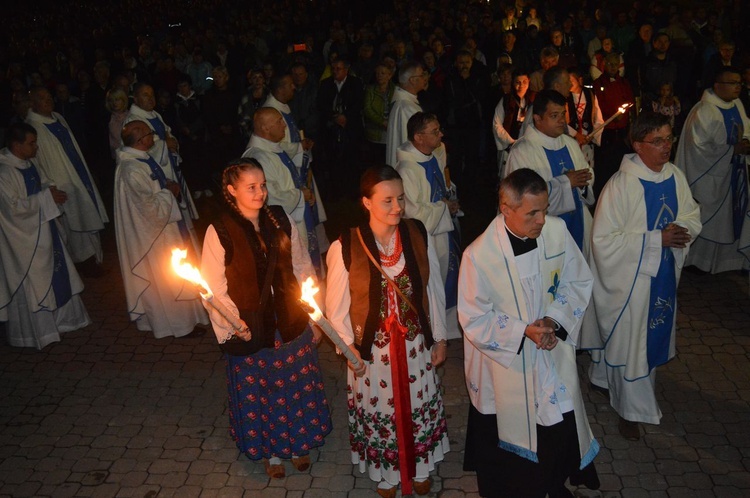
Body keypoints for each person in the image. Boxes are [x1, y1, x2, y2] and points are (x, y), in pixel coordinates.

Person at [459, 168, 599, 498]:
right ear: (506, 209)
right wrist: (524, 332)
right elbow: (474, 318)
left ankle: (551, 483)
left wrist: (553, 321)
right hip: (507, 360)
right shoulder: (479, 256)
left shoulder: (557, 231)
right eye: (532, 213)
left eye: (545, 210)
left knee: (555, 419)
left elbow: (577, 280)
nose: (541, 220)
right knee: (512, 427)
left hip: (550, 348)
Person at [201, 158, 332, 479]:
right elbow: (213, 288)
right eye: (251, 187)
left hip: (290, 321)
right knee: (264, 392)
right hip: (252, 328)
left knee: (295, 388)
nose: (260, 193)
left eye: (263, 186)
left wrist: (314, 317)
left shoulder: (281, 219)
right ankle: (270, 452)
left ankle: (299, 443)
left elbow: (302, 268)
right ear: (232, 191)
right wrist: (233, 325)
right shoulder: (219, 231)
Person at [325, 165, 450, 498]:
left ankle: (421, 466)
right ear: (366, 202)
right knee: (382, 408)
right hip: (373, 351)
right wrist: (347, 348)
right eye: (387, 200)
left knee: (418, 404)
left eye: (401, 198)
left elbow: (432, 288)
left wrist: (439, 336)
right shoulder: (345, 245)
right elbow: (335, 308)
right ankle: (387, 473)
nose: (398, 207)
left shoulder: (416, 233)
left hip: (415, 344)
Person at [583, 112, 701, 440]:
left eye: (669, 138)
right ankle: (629, 410)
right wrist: (655, 240)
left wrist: (682, 229)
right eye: (658, 141)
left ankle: (602, 378)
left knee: (632, 342)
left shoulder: (674, 175)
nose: (666, 147)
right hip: (630, 283)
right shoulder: (621, 186)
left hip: (662, 274)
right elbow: (603, 242)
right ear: (638, 145)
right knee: (631, 343)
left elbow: (691, 212)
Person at [114, 120, 209, 339]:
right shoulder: (131, 170)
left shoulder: (142, 159)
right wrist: (169, 192)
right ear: (140, 140)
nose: (153, 138)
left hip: (166, 228)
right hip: (155, 237)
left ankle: (185, 319)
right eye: (149, 134)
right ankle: (179, 326)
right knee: (166, 280)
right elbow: (148, 208)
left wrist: (166, 189)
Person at [0, 123, 91, 349]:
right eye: (31, 143)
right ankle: (37, 333)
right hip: (24, 241)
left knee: (58, 273)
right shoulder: (5, 173)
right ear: (16, 145)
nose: (36, 147)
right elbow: (12, 210)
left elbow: (44, 183)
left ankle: (63, 322)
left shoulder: (29, 163)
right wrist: (46, 198)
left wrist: (52, 192)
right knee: (35, 281)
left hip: (45, 231)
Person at [25, 87, 108, 274]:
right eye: (42, 98)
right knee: (74, 220)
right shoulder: (34, 127)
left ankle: (95, 257)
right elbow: (38, 161)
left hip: (77, 174)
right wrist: (50, 185)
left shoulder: (58, 117)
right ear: (33, 103)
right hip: (61, 182)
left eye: (49, 96)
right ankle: (84, 262)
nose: (48, 101)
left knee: (85, 213)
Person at [676, 67, 750, 273]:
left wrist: (745, 143)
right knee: (711, 219)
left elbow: (747, 129)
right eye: (733, 83)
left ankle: (727, 262)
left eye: (739, 83)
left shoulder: (737, 105)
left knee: (730, 218)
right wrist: (731, 150)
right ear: (717, 85)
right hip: (708, 177)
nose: (738, 87)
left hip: (732, 174)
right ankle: (699, 262)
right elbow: (697, 149)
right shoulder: (704, 111)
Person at [396, 112, 461, 340]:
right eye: (435, 131)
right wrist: (443, 208)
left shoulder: (431, 155)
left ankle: (446, 328)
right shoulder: (407, 170)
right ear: (418, 137)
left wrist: (448, 200)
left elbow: (440, 187)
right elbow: (413, 214)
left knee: (447, 278)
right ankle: (431, 329)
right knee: (431, 283)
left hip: (442, 232)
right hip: (427, 239)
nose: (441, 134)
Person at [506, 90, 595, 256]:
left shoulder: (571, 144)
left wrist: (583, 184)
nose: (562, 121)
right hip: (542, 229)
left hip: (578, 222)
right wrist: (566, 182)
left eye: (563, 114)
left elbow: (587, 175)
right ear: (538, 119)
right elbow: (522, 196)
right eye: (555, 115)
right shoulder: (522, 150)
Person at [243, 108, 329, 279]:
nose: (284, 125)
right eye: (279, 122)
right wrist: (300, 195)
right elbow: (271, 197)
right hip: (285, 227)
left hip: (299, 214)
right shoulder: (258, 157)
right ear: (265, 128)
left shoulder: (272, 148)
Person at [124, 82, 199, 223]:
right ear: (135, 99)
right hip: (156, 172)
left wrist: (170, 142)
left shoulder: (154, 114)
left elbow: (167, 133)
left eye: (152, 95)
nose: (150, 98)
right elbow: (139, 149)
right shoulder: (133, 122)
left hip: (169, 165)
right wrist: (165, 144)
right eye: (145, 95)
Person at [385, 61, 428, 167]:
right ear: (412, 80)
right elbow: (414, 142)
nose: (425, 78)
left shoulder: (405, 103)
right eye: (422, 75)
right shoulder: (406, 108)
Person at [492, 68, 534, 178]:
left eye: (524, 82)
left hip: (527, 145)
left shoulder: (534, 100)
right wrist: (511, 142)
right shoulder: (506, 100)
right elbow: (497, 124)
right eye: (518, 82)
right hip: (508, 145)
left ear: (529, 81)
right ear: (513, 83)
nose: (521, 86)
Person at [363, 63, 396, 158]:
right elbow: (367, 109)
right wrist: (381, 121)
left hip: (390, 131)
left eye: (383, 73)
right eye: (377, 73)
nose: (379, 76)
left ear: (389, 75)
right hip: (375, 131)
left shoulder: (396, 90)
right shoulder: (370, 90)